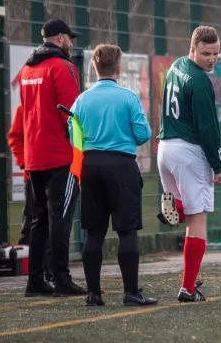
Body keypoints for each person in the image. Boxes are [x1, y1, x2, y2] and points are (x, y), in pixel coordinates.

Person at [69, 44, 157, 307]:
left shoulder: (81, 100)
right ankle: (131, 292)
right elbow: (143, 135)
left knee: (93, 232)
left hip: (91, 166)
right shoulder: (129, 97)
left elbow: (73, 135)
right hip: (121, 166)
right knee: (127, 231)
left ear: (94, 68)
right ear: (118, 68)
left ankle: (93, 294)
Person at [156, 25, 221, 302]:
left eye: (216, 54)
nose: (212, 59)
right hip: (187, 152)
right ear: (192, 49)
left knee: (187, 211)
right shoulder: (200, 82)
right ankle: (187, 287)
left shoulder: (177, 65)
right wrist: (217, 165)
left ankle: (177, 208)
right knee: (198, 220)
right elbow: (208, 129)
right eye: (206, 53)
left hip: (165, 148)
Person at [19, 19, 86, 297]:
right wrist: (82, 153)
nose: (71, 43)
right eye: (69, 38)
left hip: (34, 155)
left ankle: (35, 280)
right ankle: (61, 278)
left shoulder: (27, 69)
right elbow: (71, 114)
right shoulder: (63, 67)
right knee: (61, 218)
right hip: (60, 155)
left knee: (39, 220)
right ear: (59, 38)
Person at [7, 104, 52, 281]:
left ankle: (49, 267)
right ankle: (30, 267)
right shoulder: (23, 109)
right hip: (33, 173)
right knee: (33, 219)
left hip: (54, 172)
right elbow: (15, 139)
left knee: (52, 221)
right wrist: (26, 164)